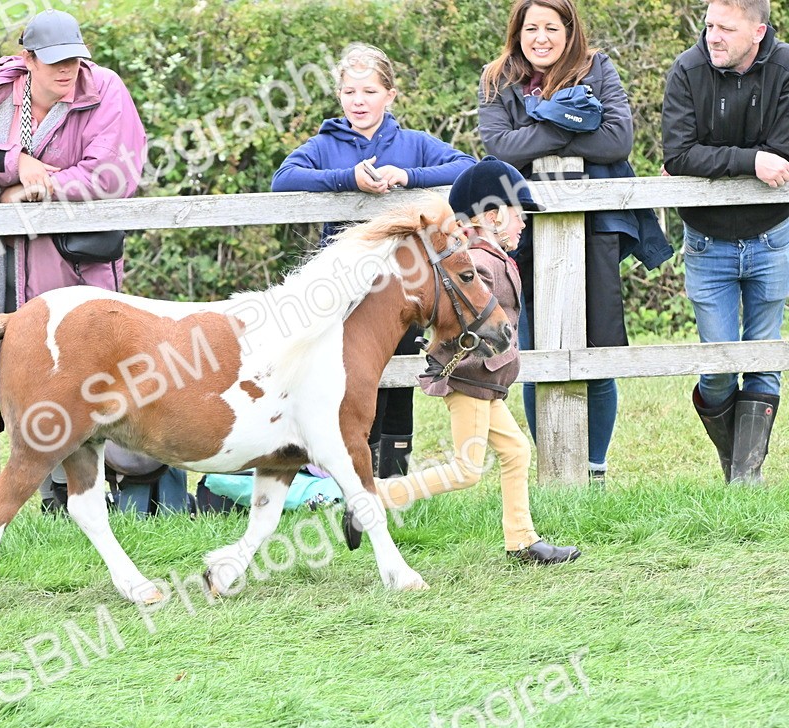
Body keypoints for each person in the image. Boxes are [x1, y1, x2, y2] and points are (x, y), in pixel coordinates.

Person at [0, 9, 147, 511]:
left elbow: (115, 174)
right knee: (29, 376)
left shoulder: (106, 89)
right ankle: (49, 490)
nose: (67, 69)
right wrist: (14, 165)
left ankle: (111, 488)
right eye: (53, 61)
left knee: (96, 374)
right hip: (8, 263)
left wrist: (30, 194)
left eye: (74, 58)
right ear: (26, 58)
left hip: (78, 262)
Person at [479, 0, 670, 485]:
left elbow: (616, 142)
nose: (540, 38)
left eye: (550, 27)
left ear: (569, 31)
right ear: (517, 32)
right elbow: (501, 148)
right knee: (535, 349)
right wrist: (570, 121)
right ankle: (559, 469)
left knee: (596, 347)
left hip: (595, 227)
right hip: (522, 231)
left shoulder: (596, 68)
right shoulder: (497, 79)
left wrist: (537, 130)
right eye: (530, 28)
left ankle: (595, 468)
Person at [271, 43, 476, 479]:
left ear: (390, 95)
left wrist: (409, 178)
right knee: (346, 375)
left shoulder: (414, 145)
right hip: (343, 287)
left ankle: (394, 478)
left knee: (398, 374)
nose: (358, 102)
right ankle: (343, 475)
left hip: (403, 287)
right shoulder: (325, 144)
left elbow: (466, 166)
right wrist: (348, 180)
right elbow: (283, 179)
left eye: (368, 92)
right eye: (349, 93)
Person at [375, 158, 582, 565]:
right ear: (492, 216)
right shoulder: (475, 263)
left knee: (517, 451)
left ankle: (522, 541)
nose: (523, 224)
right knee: (466, 470)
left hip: (487, 384)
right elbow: (456, 318)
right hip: (469, 380)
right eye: (518, 215)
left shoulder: (492, 258)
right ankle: (373, 500)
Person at [663, 0, 789, 484]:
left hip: (772, 235)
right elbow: (677, 152)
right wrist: (751, 162)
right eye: (709, 24)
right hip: (707, 240)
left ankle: (744, 480)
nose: (712, 35)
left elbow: (785, 152)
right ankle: (736, 460)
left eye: (725, 28)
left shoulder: (784, 68)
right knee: (716, 365)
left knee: (763, 359)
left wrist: (715, 157)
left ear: (758, 31)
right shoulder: (687, 69)